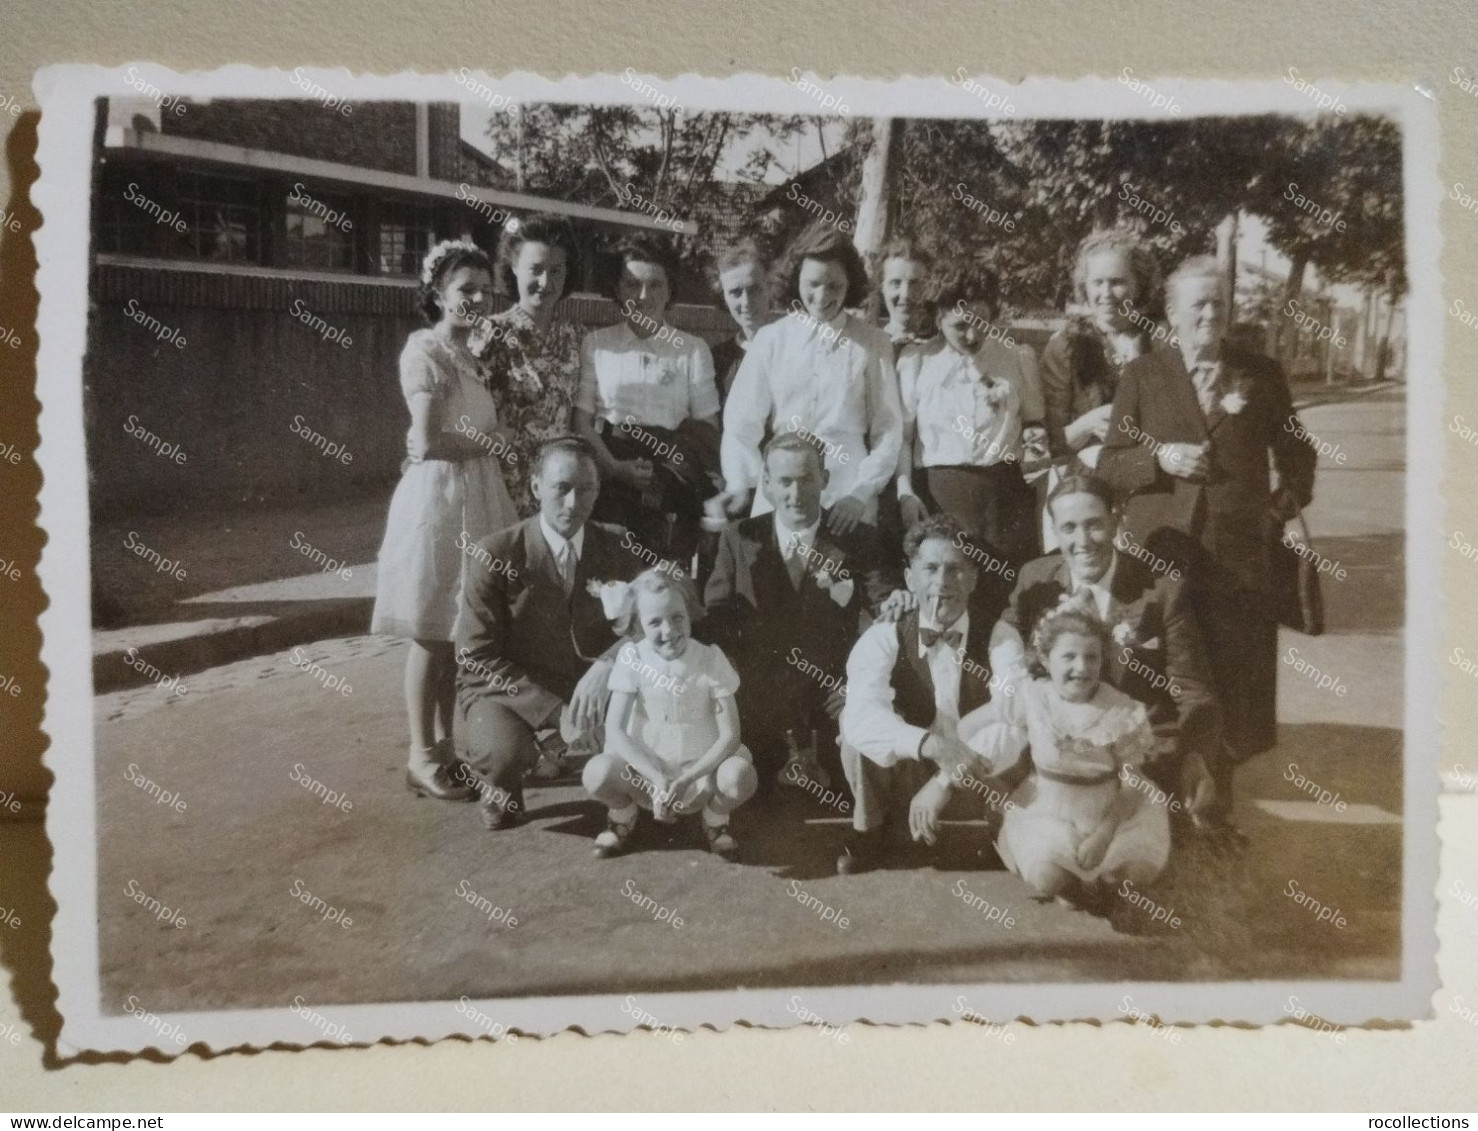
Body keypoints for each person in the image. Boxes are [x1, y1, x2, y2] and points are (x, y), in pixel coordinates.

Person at [1098, 255, 1317, 776]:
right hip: (1161, 552)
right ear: (1171, 314)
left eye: (1219, 303)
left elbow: (1298, 453)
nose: (1210, 314)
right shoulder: (1143, 375)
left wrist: (1284, 502)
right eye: (1198, 304)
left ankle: (1216, 806)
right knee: (1159, 674)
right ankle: (1160, 799)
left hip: (1238, 557)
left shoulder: (1259, 374)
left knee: (1232, 679)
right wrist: (1159, 458)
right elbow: (1109, 463)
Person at [371, 239, 519, 802]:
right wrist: (494, 441)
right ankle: (420, 753)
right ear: (437, 294)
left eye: (485, 290)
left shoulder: (472, 355)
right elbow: (426, 440)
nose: (477, 299)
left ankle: (447, 750)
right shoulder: (424, 351)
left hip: (477, 496)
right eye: (465, 290)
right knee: (432, 634)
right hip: (439, 502)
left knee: (460, 633)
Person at [994, 472, 1223, 825]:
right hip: (1055, 754)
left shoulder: (1161, 591)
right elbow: (1007, 627)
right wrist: (1006, 669)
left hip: (1135, 756)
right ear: (1054, 530)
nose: (1082, 540)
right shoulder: (1035, 579)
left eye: (1094, 525)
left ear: (1116, 521)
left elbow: (1193, 692)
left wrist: (1196, 758)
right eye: (1068, 528)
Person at [454, 436, 645, 829]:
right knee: (501, 753)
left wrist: (609, 663)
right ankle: (502, 782)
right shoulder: (495, 554)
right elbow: (476, 659)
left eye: (586, 489)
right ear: (536, 486)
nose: (574, 503)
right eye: (562, 488)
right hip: (510, 690)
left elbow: (654, 620)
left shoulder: (618, 542)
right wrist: (557, 715)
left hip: (589, 684)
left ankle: (614, 779)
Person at [702, 431, 899, 793]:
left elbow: (888, 613)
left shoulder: (858, 539)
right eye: (785, 481)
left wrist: (860, 686)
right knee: (744, 789)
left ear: (824, 479)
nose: (796, 494)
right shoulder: (739, 536)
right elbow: (716, 619)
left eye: (807, 479)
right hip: (759, 696)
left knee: (853, 776)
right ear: (766, 483)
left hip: (830, 695)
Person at [836, 514, 1016, 875]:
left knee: (1013, 729)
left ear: (974, 577)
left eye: (955, 569)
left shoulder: (1001, 636)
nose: (942, 582)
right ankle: (871, 831)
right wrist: (931, 747)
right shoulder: (884, 635)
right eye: (930, 568)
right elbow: (860, 715)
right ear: (909, 578)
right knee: (853, 735)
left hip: (978, 775)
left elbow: (1015, 715)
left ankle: (1004, 833)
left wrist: (944, 778)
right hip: (911, 771)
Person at [974, 599, 1171, 904]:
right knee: (1045, 879)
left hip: (1112, 811)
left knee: (1134, 877)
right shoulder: (1033, 696)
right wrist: (971, 764)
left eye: (1091, 657)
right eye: (1069, 656)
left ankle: (1109, 880)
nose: (1081, 668)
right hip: (1047, 810)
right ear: (1045, 658)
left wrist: (1103, 836)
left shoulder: (1120, 708)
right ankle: (1072, 884)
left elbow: (1134, 784)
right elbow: (972, 725)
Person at [717, 223, 903, 537]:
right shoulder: (771, 339)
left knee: (840, 582)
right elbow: (740, 424)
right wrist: (741, 483)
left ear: (849, 285)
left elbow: (888, 430)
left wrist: (860, 494)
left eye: (834, 286)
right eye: (813, 284)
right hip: (781, 491)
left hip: (847, 496)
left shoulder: (873, 343)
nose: (821, 296)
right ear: (795, 279)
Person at [582, 570, 758, 861]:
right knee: (596, 774)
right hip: (645, 775)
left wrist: (688, 778)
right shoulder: (632, 659)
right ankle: (623, 815)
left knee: (739, 775)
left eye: (677, 617)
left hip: (700, 773)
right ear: (637, 623)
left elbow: (730, 735)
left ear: (689, 612)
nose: (669, 631)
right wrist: (655, 776)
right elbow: (614, 731)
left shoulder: (711, 658)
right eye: (654, 622)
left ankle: (715, 819)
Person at [574, 234, 722, 566]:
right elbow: (582, 420)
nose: (643, 296)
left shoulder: (691, 348)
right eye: (632, 284)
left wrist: (667, 472)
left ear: (670, 291)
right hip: (609, 468)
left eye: (655, 285)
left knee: (664, 573)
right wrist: (612, 467)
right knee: (611, 572)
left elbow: (706, 427)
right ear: (617, 287)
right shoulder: (596, 343)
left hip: (672, 471)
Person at [896, 264, 1047, 567]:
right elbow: (904, 437)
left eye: (981, 321)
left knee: (1006, 590)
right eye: (960, 325)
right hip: (939, 494)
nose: (972, 334)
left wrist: (1035, 462)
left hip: (1004, 496)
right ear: (938, 318)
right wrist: (905, 490)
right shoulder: (916, 362)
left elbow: (1034, 425)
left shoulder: (1017, 357)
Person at [474, 213, 586, 516]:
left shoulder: (577, 337)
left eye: (556, 271)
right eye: (536, 270)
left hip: (559, 486)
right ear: (513, 268)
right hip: (502, 484)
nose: (546, 282)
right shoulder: (489, 334)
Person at [1039, 228, 1164, 469]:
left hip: (1151, 474)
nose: (1106, 294)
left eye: (1117, 282)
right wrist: (1088, 423)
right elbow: (1047, 443)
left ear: (1138, 284)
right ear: (1085, 286)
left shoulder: (1159, 341)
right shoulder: (1067, 345)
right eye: (1097, 282)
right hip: (1085, 480)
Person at [709, 239, 777, 408]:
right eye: (735, 292)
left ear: (769, 289)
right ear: (723, 298)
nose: (746, 302)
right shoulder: (716, 359)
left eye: (754, 290)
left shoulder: (793, 351)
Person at [877, 237, 937, 359]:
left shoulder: (939, 350)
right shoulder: (869, 344)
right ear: (882, 287)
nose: (905, 294)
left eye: (915, 284)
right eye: (895, 283)